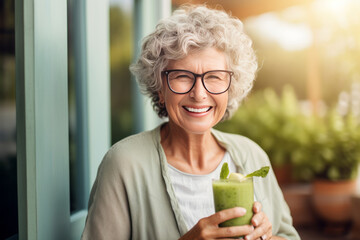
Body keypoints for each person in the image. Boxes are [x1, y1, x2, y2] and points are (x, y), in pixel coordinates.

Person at [82, 5, 300, 240]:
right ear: (160, 88)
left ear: (231, 88)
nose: (199, 93)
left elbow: (288, 236)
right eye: (183, 76)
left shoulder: (251, 155)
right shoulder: (124, 165)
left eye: (214, 77)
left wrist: (268, 237)